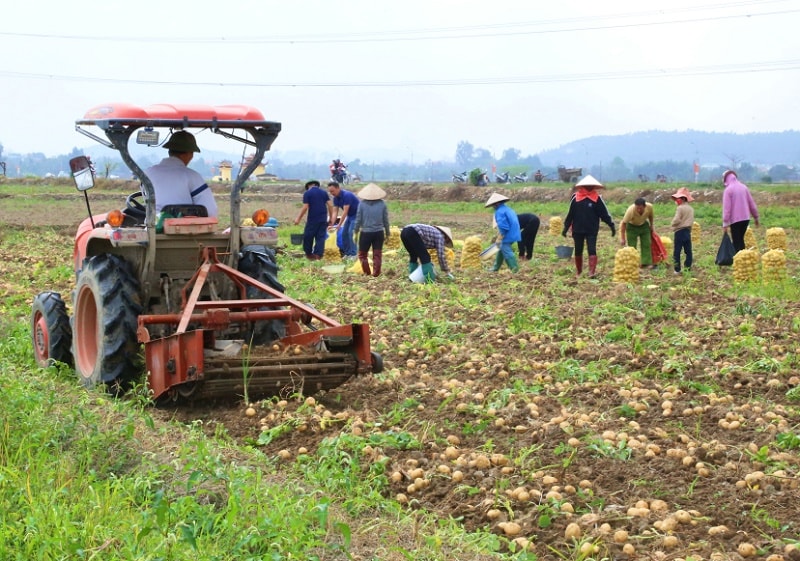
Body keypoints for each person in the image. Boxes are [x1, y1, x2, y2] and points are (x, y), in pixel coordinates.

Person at [145, 131, 218, 217]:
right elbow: (211, 211)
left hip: (152, 227)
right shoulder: (193, 177)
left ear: (169, 151)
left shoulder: (147, 174)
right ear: (189, 154)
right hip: (184, 229)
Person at [561, 175, 615, 278]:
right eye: (588, 186)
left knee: (592, 249)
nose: (590, 188)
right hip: (577, 229)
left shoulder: (597, 199)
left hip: (591, 229)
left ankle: (591, 272)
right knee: (578, 250)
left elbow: (604, 214)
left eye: (591, 186)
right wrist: (565, 228)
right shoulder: (575, 198)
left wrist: (611, 225)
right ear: (583, 186)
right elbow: (570, 215)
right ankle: (579, 272)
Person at [353, 183, 390, 277]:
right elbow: (386, 220)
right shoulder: (382, 204)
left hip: (366, 233)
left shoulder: (362, 204)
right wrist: (388, 233)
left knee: (362, 254)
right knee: (377, 254)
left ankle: (367, 272)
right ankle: (376, 274)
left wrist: (355, 231)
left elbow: (358, 219)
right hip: (379, 233)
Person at [294, 179, 334, 260]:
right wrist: (331, 218)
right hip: (323, 219)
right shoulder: (323, 193)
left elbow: (305, 207)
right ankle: (318, 255)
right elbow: (330, 205)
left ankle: (309, 254)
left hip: (313, 219)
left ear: (308, 186)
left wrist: (298, 219)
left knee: (308, 236)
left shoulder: (307, 193)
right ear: (316, 185)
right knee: (320, 237)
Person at [722, 170, 760, 252]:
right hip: (746, 219)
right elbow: (751, 203)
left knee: (736, 241)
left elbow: (727, 209)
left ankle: (738, 259)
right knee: (741, 239)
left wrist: (725, 223)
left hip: (735, 220)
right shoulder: (744, 187)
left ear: (726, 179)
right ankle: (743, 257)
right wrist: (756, 217)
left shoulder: (728, 190)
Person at [484, 193, 521, 272]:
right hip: (515, 233)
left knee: (506, 251)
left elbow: (504, 228)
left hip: (508, 234)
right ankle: (495, 268)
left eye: (493, 205)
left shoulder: (499, 212)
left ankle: (515, 269)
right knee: (501, 249)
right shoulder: (508, 209)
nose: (493, 207)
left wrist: (499, 238)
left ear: (496, 204)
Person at [619, 197, 657, 268]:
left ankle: (646, 262)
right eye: (637, 208)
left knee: (647, 243)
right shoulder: (630, 210)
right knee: (632, 246)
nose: (639, 210)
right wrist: (622, 238)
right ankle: (633, 263)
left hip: (644, 225)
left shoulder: (649, 207)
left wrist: (651, 225)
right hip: (631, 227)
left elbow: (651, 216)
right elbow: (623, 224)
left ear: (644, 206)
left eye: (640, 208)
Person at [328, 181, 359, 259]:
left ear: (338, 188)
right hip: (350, 215)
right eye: (330, 191)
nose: (331, 193)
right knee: (344, 234)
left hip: (358, 215)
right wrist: (331, 224)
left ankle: (354, 254)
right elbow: (335, 212)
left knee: (350, 233)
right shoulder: (335, 198)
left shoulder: (347, 195)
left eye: (333, 191)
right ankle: (348, 253)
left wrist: (339, 225)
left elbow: (345, 211)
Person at [670, 187, 695, 274]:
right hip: (687, 231)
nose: (676, 200)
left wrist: (672, 224)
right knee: (688, 251)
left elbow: (677, 219)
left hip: (679, 231)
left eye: (678, 199)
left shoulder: (680, 208)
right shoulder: (691, 209)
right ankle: (687, 268)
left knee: (677, 251)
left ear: (682, 199)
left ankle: (677, 270)